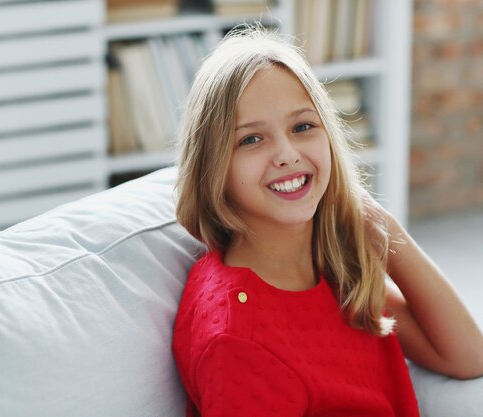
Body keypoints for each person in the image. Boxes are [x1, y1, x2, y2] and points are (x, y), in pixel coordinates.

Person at [171, 25, 483, 417]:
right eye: (251, 139)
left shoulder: (329, 264)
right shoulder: (238, 337)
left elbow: (467, 356)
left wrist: (379, 226)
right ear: (212, 167)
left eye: (303, 127)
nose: (287, 153)